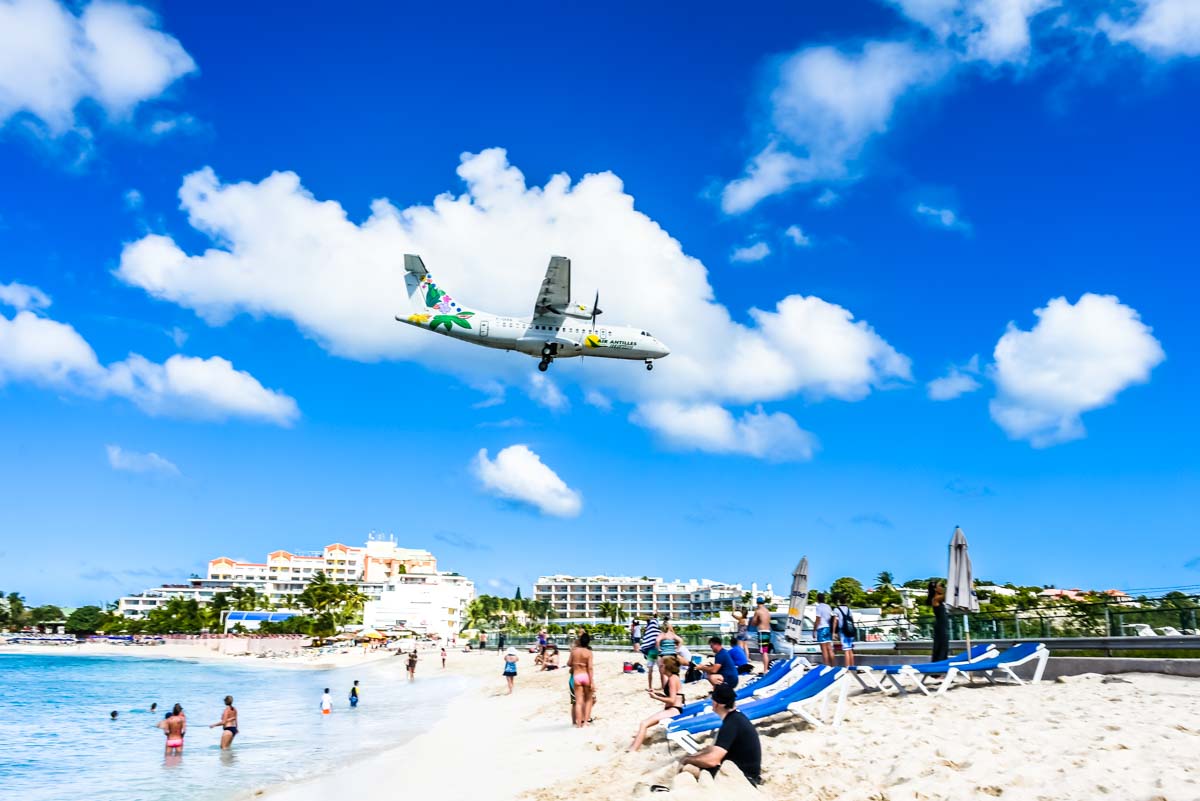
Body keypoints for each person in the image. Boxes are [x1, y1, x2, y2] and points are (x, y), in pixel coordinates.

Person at [677, 683, 762, 786]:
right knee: (695, 760)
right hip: (746, 772)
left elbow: (713, 761)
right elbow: (715, 750)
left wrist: (687, 759)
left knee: (688, 769)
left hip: (743, 779)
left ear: (717, 704)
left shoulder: (731, 725)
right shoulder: (736, 719)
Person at [628, 655, 685, 751]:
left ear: (667, 667)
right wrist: (658, 694)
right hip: (673, 709)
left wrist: (656, 697)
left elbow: (672, 700)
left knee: (644, 723)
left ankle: (633, 749)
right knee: (644, 724)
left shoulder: (672, 679)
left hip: (674, 710)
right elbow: (674, 696)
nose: (659, 667)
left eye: (661, 665)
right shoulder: (673, 677)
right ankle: (633, 747)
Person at [568, 631, 595, 727]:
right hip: (586, 676)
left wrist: (576, 664)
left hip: (577, 676)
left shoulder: (574, 651)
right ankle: (586, 722)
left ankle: (578, 724)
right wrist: (592, 682)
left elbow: (569, 663)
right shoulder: (589, 652)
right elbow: (590, 667)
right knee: (588, 700)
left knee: (578, 702)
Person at [655, 622, 683, 690]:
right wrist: (677, 649)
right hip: (673, 655)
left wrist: (658, 649)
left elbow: (657, 640)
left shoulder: (662, 634)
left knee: (663, 673)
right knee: (674, 671)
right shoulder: (672, 635)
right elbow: (681, 640)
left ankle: (664, 687)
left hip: (664, 655)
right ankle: (676, 686)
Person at [750, 596, 772, 674]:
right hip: (768, 631)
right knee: (765, 651)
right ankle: (766, 669)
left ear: (757, 603)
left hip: (762, 631)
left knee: (764, 652)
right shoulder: (767, 611)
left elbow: (753, 622)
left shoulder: (758, 611)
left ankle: (765, 669)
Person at [832, 596, 856, 668]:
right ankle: (852, 666)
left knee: (846, 650)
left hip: (843, 630)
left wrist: (833, 632)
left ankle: (847, 667)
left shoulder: (836, 609)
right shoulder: (849, 609)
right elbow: (852, 620)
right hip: (850, 630)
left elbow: (835, 621)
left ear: (839, 601)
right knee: (850, 649)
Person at [639, 612, 661, 691]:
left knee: (650, 669)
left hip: (651, 651)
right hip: (657, 649)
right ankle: (663, 685)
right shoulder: (656, 628)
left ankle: (650, 687)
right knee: (660, 669)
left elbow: (646, 641)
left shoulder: (648, 629)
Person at [929, 581, 949, 662]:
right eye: (940, 586)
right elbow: (948, 595)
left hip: (942, 625)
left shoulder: (939, 600)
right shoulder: (936, 599)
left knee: (943, 646)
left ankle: (940, 667)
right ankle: (937, 669)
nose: (942, 588)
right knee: (941, 646)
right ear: (935, 589)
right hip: (940, 626)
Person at [814, 592, 834, 666]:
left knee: (824, 649)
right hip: (828, 627)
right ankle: (833, 665)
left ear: (817, 599)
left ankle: (826, 665)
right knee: (829, 648)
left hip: (821, 628)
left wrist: (814, 630)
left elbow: (818, 619)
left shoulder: (819, 607)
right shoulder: (828, 606)